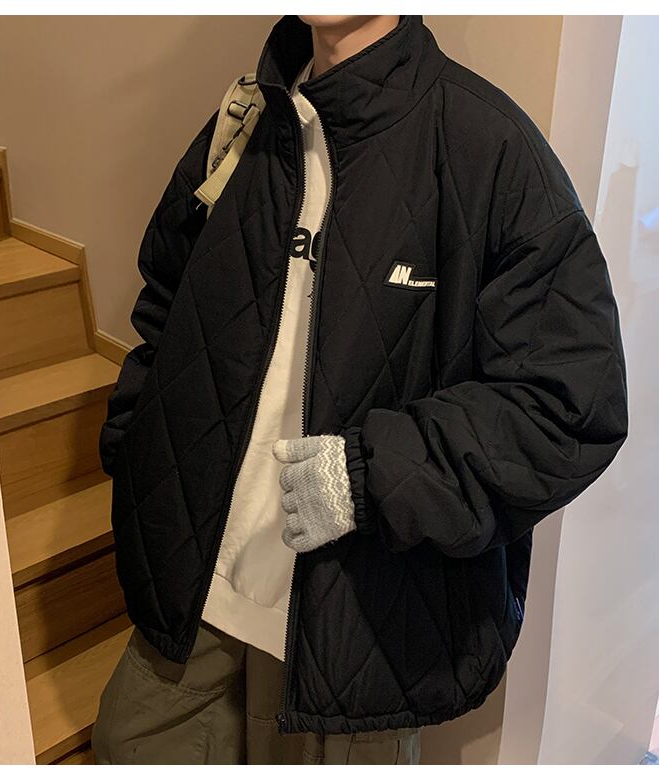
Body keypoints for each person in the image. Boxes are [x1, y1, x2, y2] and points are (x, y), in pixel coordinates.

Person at [92, 14, 628, 765]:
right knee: (122, 743)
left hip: (355, 634)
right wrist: (136, 450)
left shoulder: (491, 148)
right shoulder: (245, 124)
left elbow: (569, 405)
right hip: (197, 596)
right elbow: (165, 307)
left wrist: (368, 476)